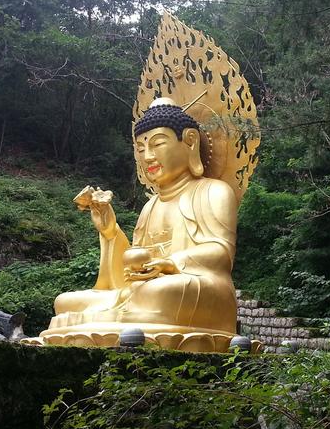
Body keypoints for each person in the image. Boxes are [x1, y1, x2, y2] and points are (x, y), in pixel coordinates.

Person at [42, 98, 238, 341]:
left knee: (163, 290)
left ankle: (119, 321)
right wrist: (110, 232)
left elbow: (221, 253)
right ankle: (123, 319)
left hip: (196, 287)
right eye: (141, 148)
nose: (148, 157)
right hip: (140, 290)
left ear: (190, 141)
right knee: (64, 301)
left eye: (158, 144)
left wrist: (169, 264)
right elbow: (129, 270)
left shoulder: (213, 191)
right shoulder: (149, 207)